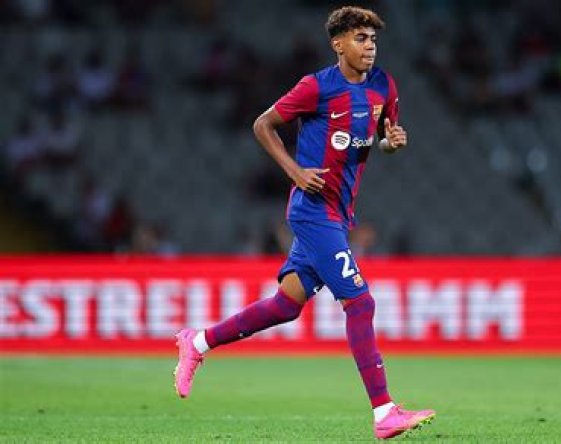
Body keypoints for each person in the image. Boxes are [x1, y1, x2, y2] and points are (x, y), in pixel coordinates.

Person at [173, 6, 434, 440]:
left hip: (339, 213)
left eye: (373, 39)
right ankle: (384, 412)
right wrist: (294, 171)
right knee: (361, 303)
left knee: (286, 305)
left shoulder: (384, 86)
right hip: (313, 212)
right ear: (338, 44)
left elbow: (382, 139)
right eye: (360, 39)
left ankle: (196, 342)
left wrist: (392, 143)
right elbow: (263, 125)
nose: (370, 47)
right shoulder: (316, 87)